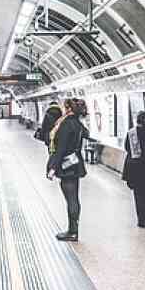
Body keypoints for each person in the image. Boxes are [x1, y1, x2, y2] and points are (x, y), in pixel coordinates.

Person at [46, 98, 89, 242]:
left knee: (71, 199)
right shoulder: (78, 124)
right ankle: (73, 229)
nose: (63, 109)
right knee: (74, 198)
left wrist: (52, 167)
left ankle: (72, 232)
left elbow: (61, 148)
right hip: (75, 163)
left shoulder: (65, 124)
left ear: (69, 108)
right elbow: (86, 134)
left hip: (67, 166)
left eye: (65, 107)